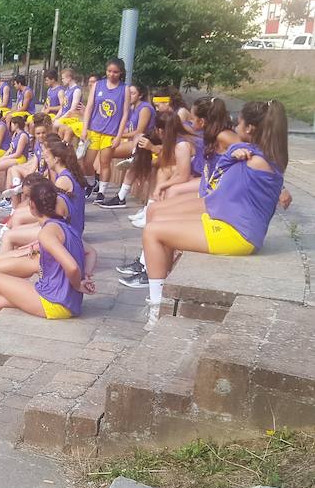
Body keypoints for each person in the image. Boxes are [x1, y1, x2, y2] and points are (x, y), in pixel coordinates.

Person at [142, 100, 289, 330]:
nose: (235, 125)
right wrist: (233, 156)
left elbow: (217, 179)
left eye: (239, 121)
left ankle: (156, 309)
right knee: (158, 221)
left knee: (153, 231)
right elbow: (219, 181)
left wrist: (231, 155)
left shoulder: (256, 160)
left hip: (237, 233)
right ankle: (161, 288)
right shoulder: (259, 155)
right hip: (230, 221)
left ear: (249, 128)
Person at [0, 179, 96, 333]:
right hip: (68, 301)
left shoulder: (47, 233)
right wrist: (86, 276)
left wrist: (78, 284)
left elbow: (73, 267)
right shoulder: (66, 227)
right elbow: (91, 253)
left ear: (32, 207)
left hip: (55, 302)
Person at [81, 58, 129, 202]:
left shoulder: (124, 89)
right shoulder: (98, 85)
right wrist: (85, 128)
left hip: (111, 132)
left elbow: (125, 113)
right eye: (109, 71)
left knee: (105, 162)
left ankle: (102, 192)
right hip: (94, 129)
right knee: (87, 161)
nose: (112, 74)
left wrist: (119, 135)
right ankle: (91, 182)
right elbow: (89, 107)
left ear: (120, 73)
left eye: (115, 72)